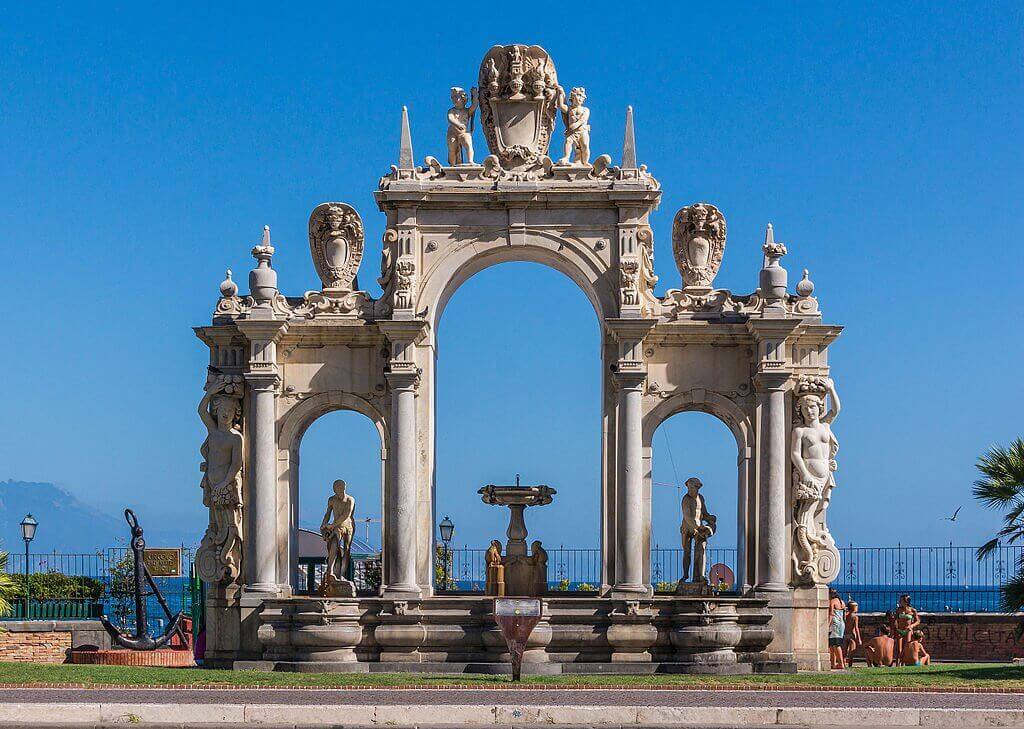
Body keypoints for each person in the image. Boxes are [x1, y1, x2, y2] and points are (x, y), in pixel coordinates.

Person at [894, 594, 921, 665]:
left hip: (908, 631)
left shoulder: (912, 610)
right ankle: (897, 664)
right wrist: (895, 626)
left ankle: (904, 663)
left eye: (901, 600)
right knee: (899, 649)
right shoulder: (898, 610)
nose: (899, 601)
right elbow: (895, 620)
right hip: (900, 630)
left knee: (907, 648)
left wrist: (911, 626)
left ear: (906, 602)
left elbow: (918, 621)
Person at [827, 588, 846, 669]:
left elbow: (831, 614)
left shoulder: (832, 601)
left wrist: (827, 625)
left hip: (834, 624)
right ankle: (833, 663)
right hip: (841, 623)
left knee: (836, 644)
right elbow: (844, 615)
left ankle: (841, 663)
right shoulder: (842, 602)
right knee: (832, 644)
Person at [843, 600, 862, 667]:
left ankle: (843, 664)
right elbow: (856, 628)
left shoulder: (845, 615)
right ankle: (850, 665)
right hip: (852, 635)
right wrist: (859, 639)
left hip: (845, 635)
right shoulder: (855, 617)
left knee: (844, 652)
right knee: (851, 652)